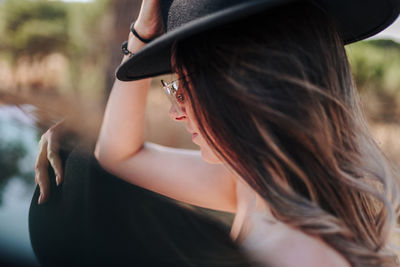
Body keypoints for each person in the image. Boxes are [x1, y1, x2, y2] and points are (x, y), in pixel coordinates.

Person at [33, 0, 400, 266]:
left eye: (184, 86)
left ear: (245, 87)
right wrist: (142, 33)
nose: (176, 110)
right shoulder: (264, 187)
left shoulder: (294, 253)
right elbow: (118, 156)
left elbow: (118, 156)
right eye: (173, 87)